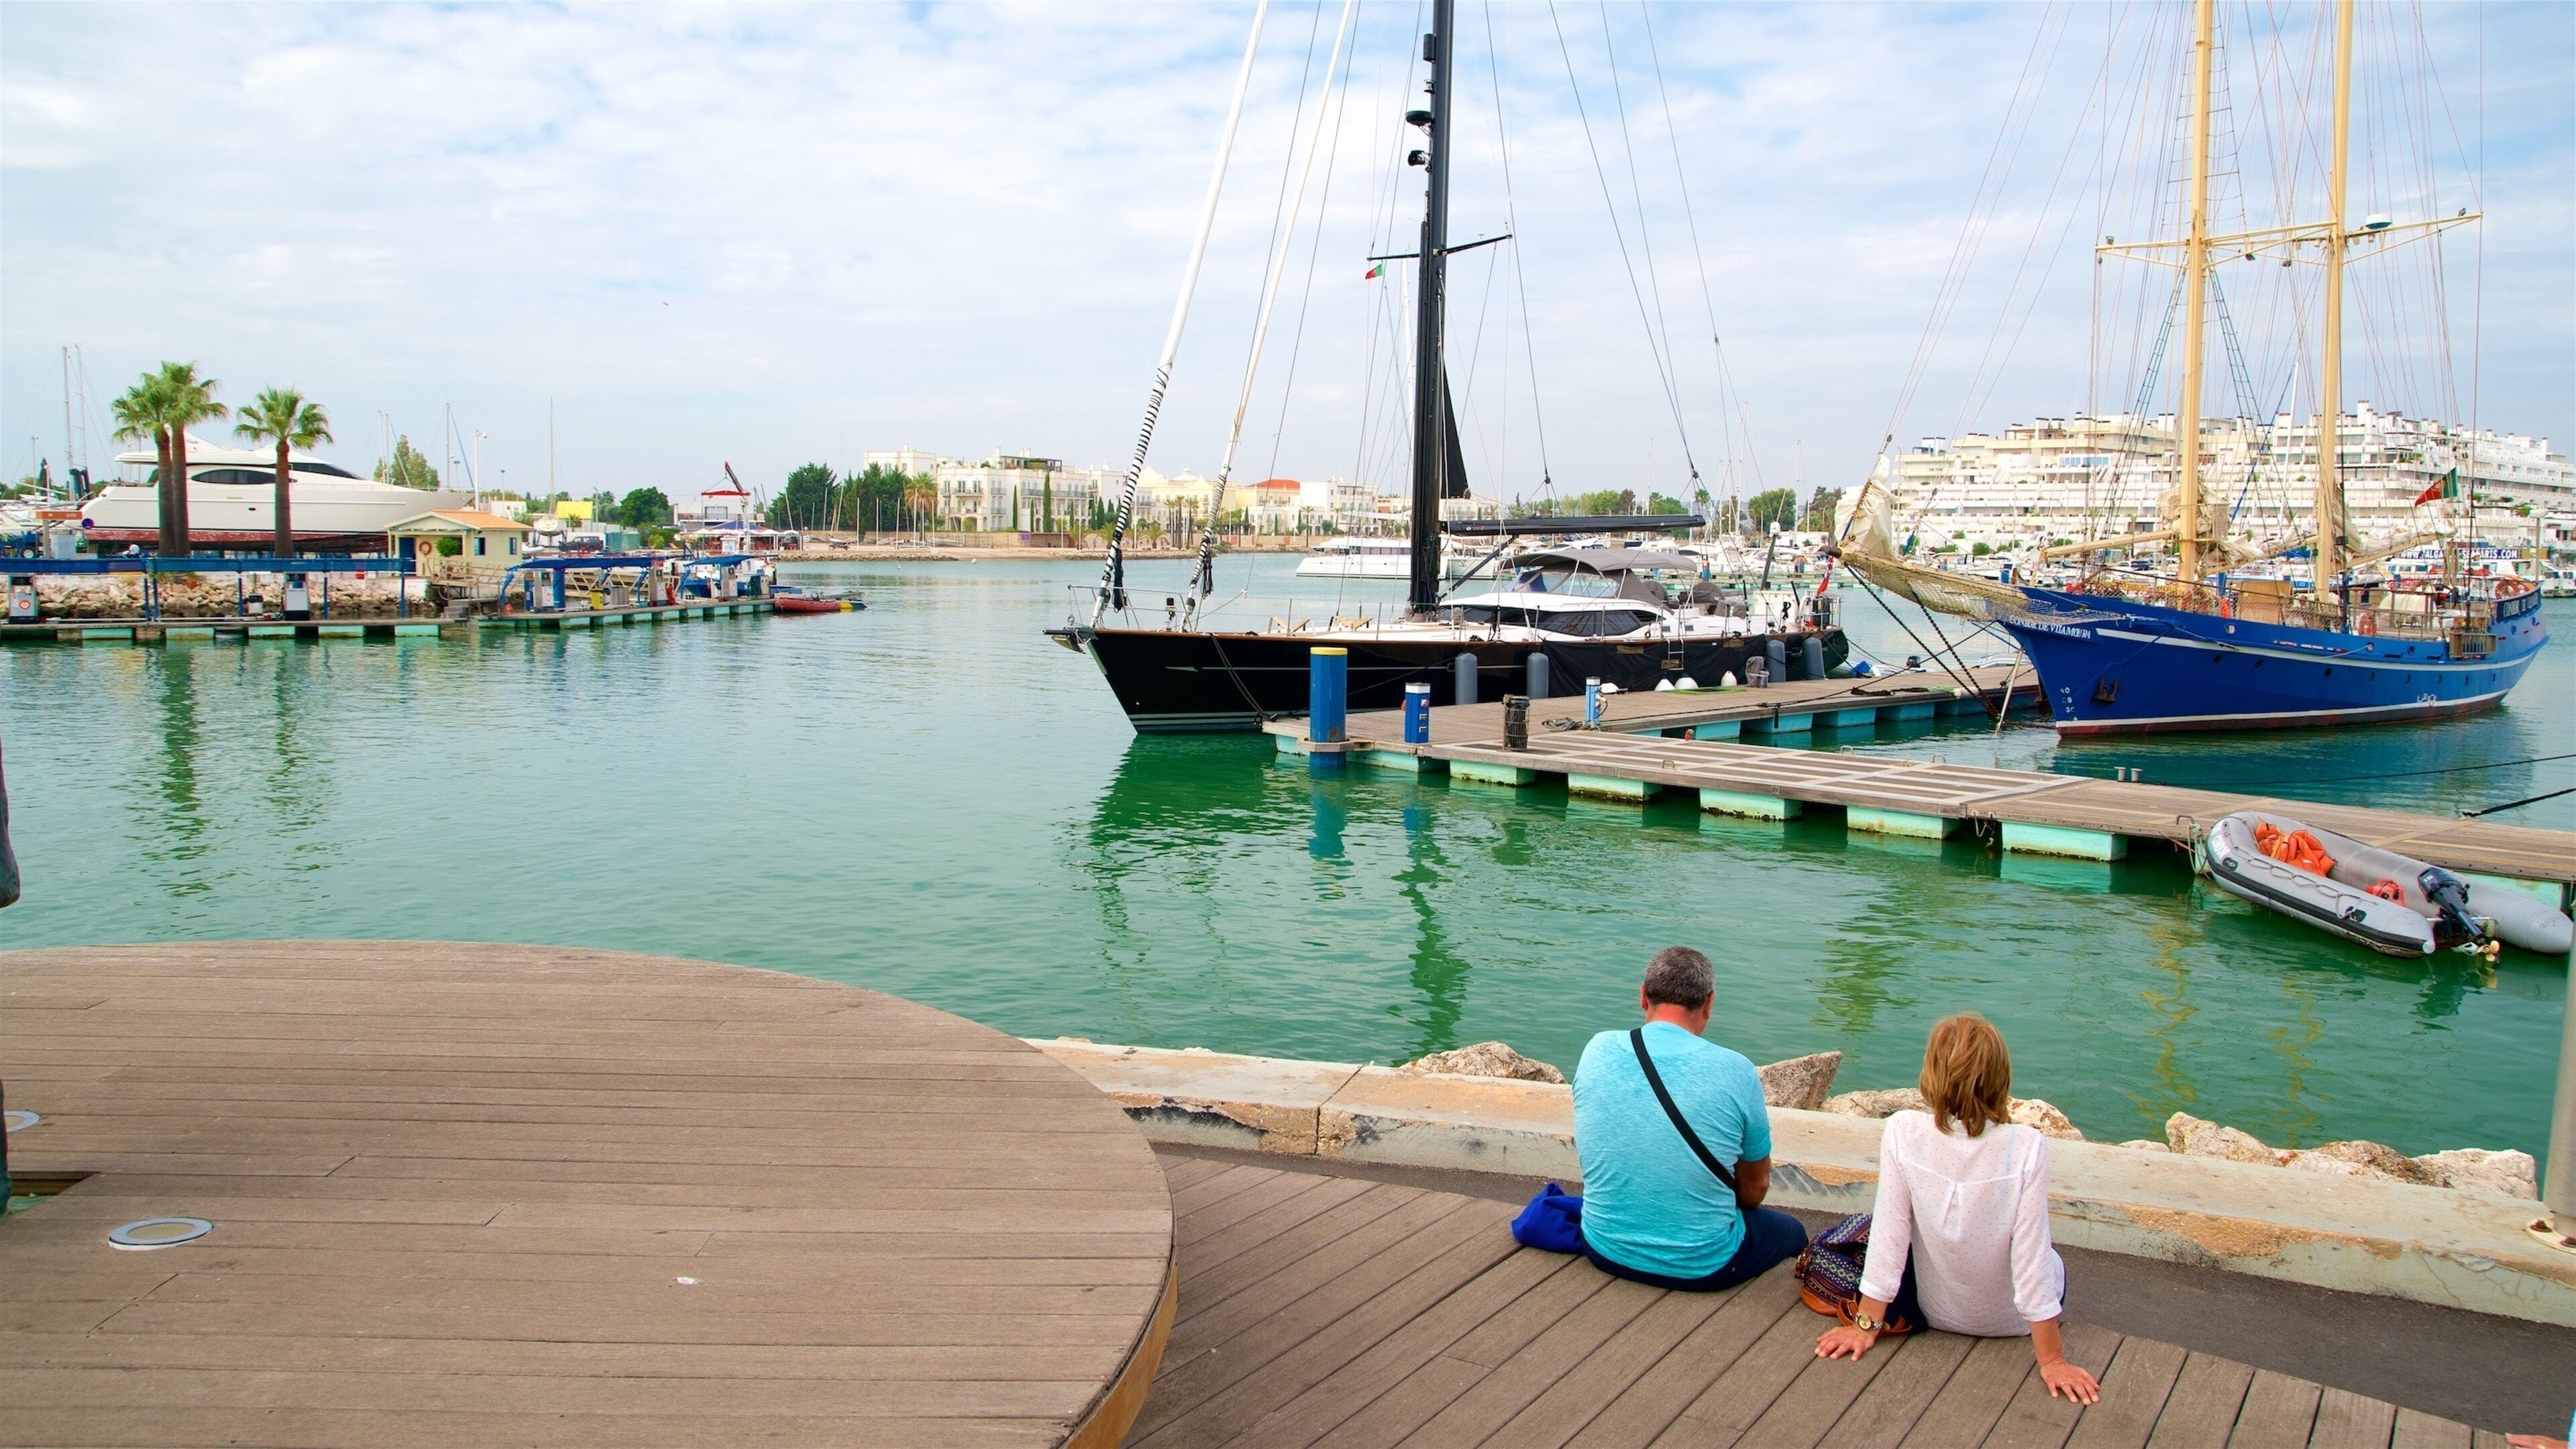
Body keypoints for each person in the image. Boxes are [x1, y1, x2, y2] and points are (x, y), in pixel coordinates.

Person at [1815, 1014, 2100, 1405]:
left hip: (1937, 1311)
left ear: (1932, 1074)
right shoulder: (2026, 1146)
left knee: (1873, 1228)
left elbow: (1889, 1238)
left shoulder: (1903, 1131)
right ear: (2001, 1076)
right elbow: (2031, 1261)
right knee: (2050, 1259)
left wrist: (1865, 1327)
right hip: (2010, 1323)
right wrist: (2052, 1360)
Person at [1570, 946, 1807, 1291]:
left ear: (1643, 997)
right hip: (1705, 1265)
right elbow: (1755, 1188)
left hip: (1605, 1248)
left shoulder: (1597, 1048)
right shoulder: (1736, 1070)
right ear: (1709, 1003)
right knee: (1793, 1232)